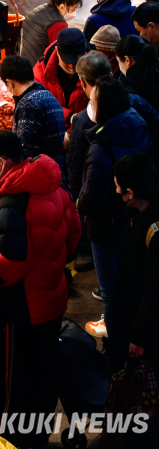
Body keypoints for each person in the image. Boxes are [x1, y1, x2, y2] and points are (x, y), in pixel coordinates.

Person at [0, 130, 80, 448]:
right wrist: (52, 263)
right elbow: (74, 233)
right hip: (52, 298)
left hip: (22, 308)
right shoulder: (52, 185)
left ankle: (17, 440)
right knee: (45, 371)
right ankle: (40, 431)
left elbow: (12, 265)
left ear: (1, 162)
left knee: (15, 380)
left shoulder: (12, 203)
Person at [70, 51, 159, 278]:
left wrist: (79, 203)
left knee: (111, 282)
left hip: (106, 218)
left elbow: (82, 176)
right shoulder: (137, 113)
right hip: (138, 206)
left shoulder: (98, 140)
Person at [79, 77, 154, 344]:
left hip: (107, 224)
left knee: (110, 291)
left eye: (93, 101)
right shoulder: (137, 123)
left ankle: (116, 349)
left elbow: (93, 195)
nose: (90, 106)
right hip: (133, 218)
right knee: (130, 286)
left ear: (104, 107)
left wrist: (80, 205)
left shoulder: (102, 144)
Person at [110, 153, 159, 374]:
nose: (118, 195)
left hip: (146, 334)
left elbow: (154, 289)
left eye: (120, 191)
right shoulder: (138, 216)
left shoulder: (152, 229)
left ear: (131, 193)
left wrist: (139, 336)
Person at [0, 56, 67, 183]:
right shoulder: (48, 95)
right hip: (56, 175)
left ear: (9, 83)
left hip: (43, 181)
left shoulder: (27, 104)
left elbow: (25, 154)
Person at [34, 28, 90, 128]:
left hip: (82, 129)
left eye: (76, 62)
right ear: (57, 51)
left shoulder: (95, 68)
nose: (72, 66)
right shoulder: (42, 69)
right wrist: (70, 117)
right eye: (67, 61)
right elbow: (40, 102)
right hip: (51, 127)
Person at [21, 0, 82, 66]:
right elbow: (61, 56)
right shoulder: (58, 24)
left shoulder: (40, 10)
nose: (74, 13)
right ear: (62, 7)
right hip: (39, 69)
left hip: (25, 63)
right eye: (73, 9)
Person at [116, 34, 159, 112]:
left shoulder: (126, 92)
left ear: (127, 60)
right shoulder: (155, 73)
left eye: (118, 61)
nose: (120, 66)